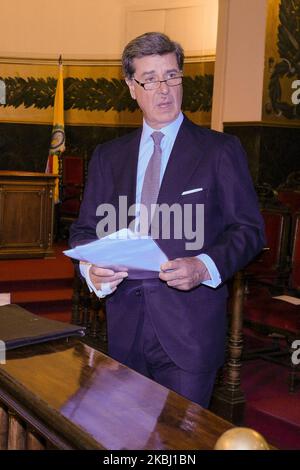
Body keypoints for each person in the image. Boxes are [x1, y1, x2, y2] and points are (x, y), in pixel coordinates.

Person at [69, 32, 265, 408]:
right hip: (125, 327)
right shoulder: (108, 157)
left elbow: (249, 230)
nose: (164, 89)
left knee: (182, 444)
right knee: (127, 439)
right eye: (151, 79)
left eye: (172, 76)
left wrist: (204, 266)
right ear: (131, 87)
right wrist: (90, 269)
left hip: (190, 332)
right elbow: (84, 231)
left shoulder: (220, 150)